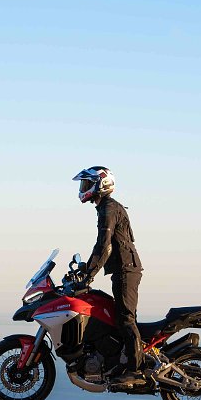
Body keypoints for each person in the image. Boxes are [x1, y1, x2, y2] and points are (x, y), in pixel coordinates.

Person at [72, 166, 145, 387]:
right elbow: (104, 247)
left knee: (125, 318)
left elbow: (104, 246)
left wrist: (90, 274)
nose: (83, 188)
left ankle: (135, 370)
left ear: (100, 184)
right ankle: (118, 360)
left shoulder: (109, 209)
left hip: (126, 270)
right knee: (115, 316)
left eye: (86, 184)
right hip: (124, 269)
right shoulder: (106, 207)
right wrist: (86, 270)